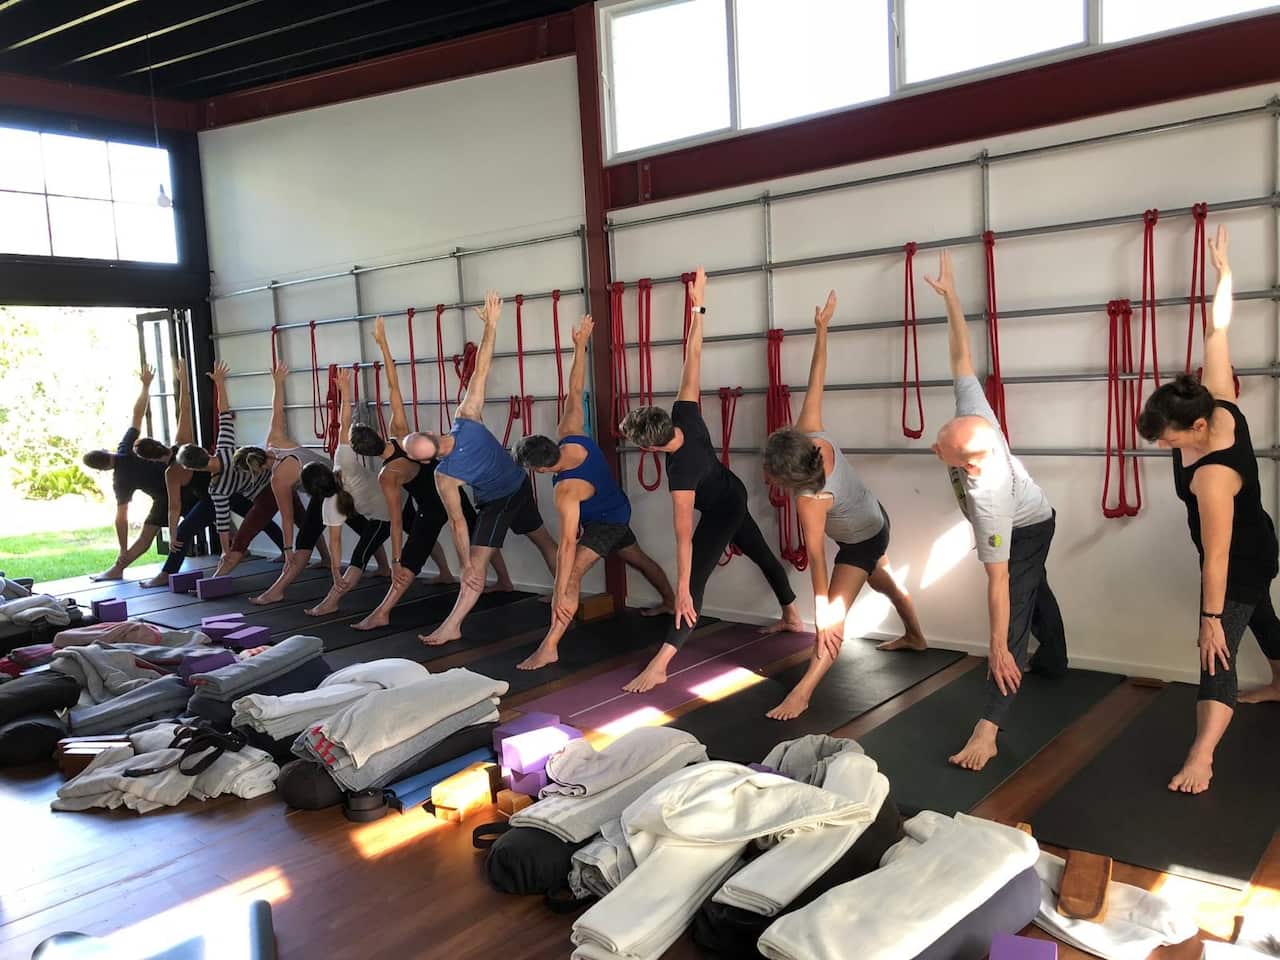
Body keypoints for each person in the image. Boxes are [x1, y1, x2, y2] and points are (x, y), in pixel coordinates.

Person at [1136, 224, 1280, 794]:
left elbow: (1215, 556)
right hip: (1259, 542)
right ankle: (1278, 681)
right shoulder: (1215, 398)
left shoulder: (1214, 478)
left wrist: (1210, 618)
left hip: (1239, 557)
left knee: (1216, 652)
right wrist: (1225, 274)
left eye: (1169, 441)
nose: (1167, 449)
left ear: (1196, 428)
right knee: (1263, 617)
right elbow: (1217, 327)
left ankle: (1203, 754)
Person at [618, 267, 803, 694]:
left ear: (649, 447)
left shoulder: (680, 476)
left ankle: (663, 662)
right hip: (730, 491)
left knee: (694, 583)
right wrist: (697, 306)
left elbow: (684, 539)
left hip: (723, 506)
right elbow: (693, 356)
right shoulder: (685, 414)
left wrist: (681, 588)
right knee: (759, 553)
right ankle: (792, 614)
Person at [924, 250, 1065, 772]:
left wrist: (996, 645)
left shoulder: (990, 502)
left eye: (944, 450)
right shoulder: (975, 419)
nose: (936, 449)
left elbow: (998, 584)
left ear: (970, 461)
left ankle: (988, 730)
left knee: (1012, 626)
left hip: (1027, 529)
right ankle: (1058, 659)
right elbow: (962, 359)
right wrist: (953, 297)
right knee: (1036, 593)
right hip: (1037, 514)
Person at [761, 290, 929, 720]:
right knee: (884, 583)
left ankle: (803, 692)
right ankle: (916, 635)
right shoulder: (810, 436)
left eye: (774, 476)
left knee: (834, 622)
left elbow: (817, 557)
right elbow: (817, 377)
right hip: (876, 517)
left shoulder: (810, 501)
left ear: (793, 477)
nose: (769, 479)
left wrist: (823, 613)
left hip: (861, 540)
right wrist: (822, 329)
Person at [514, 314, 675, 670]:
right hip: (617, 508)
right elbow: (574, 389)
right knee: (638, 559)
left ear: (541, 468)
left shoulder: (566, 492)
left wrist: (559, 589)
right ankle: (671, 601)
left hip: (606, 523)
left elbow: (568, 545)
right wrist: (579, 345)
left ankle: (551, 645)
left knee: (570, 575)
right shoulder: (572, 433)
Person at [408, 291, 559, 646]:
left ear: (426, 457)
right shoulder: (465, 417)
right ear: (434, 431)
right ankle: (565, 597)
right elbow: (483, 367)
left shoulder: (443, 475)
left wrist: (467, 565)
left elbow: (460, 525)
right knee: (543, 540)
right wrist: (491, 325)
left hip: (500, 499)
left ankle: (453, 625)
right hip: (519, 484)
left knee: (478, 564)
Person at [348, 314, 512, 628]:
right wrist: (383, 345)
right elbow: (394, 386)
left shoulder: (388, 475)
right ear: (378, 433)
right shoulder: (401, 432)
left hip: (433, 506)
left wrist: (396, 560)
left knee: (412, 558)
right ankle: (504, 579)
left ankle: (381, 613)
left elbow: (397, 521)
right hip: (452, 491)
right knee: (481, 538)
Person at [250, 367, 393, 606]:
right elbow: (344, 422)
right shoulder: (338, 459)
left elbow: (288, 518)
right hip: (345, 488)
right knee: (362, 527)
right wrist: (344, 391)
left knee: (313, 538)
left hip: (347, 497)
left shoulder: (283, 482)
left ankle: (281, 591)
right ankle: (384, 566)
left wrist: (287, 549)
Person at [208, 363, 330, 578]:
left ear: (252, 471)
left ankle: (217, 578)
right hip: (331, 473)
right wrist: (278, 382)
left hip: (325, 483)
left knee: (246, 534)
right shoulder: (274, 441)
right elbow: (277, 409)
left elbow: (285, 517)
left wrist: (287, 550)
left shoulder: (277, 478)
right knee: (307, 521)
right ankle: (327, 559)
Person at [176, 362, 292, 565]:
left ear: (194, 469)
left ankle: (290, 556)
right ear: (204, 450)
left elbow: (222, 523)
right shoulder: (226, 447)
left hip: (265, 493)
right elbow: (224, 414)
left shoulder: (217, 488)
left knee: (256, 525)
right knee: (295, 521)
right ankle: (301, 555)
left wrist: (225, 551)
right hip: (279, 475)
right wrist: (220, 383)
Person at [82, 366, 168, 581]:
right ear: (105, 451)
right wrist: (146, 385)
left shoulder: (120, 481)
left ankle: (117, 568)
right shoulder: (125, 449)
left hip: (167, 494)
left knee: (144, 540)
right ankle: (116, 570)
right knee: (214, 509)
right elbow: (137, 414)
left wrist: (122, 548)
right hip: (174, 486)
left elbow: (121, 517)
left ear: (102, 469)